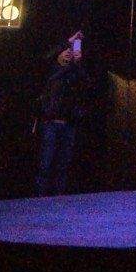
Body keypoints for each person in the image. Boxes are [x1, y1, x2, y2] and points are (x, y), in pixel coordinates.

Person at [35, 30, 89, 196]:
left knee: (63, 166)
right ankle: (40, 199)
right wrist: (69, 41)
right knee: (45, 165)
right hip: (50, 123)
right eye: (65, 50)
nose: (68, 53)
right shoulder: (52, 71)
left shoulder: (74, 73)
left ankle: (58, 200)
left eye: (70, 50)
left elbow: (85, 85)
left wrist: (77, 64)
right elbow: (45, 58)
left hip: (68, 124)